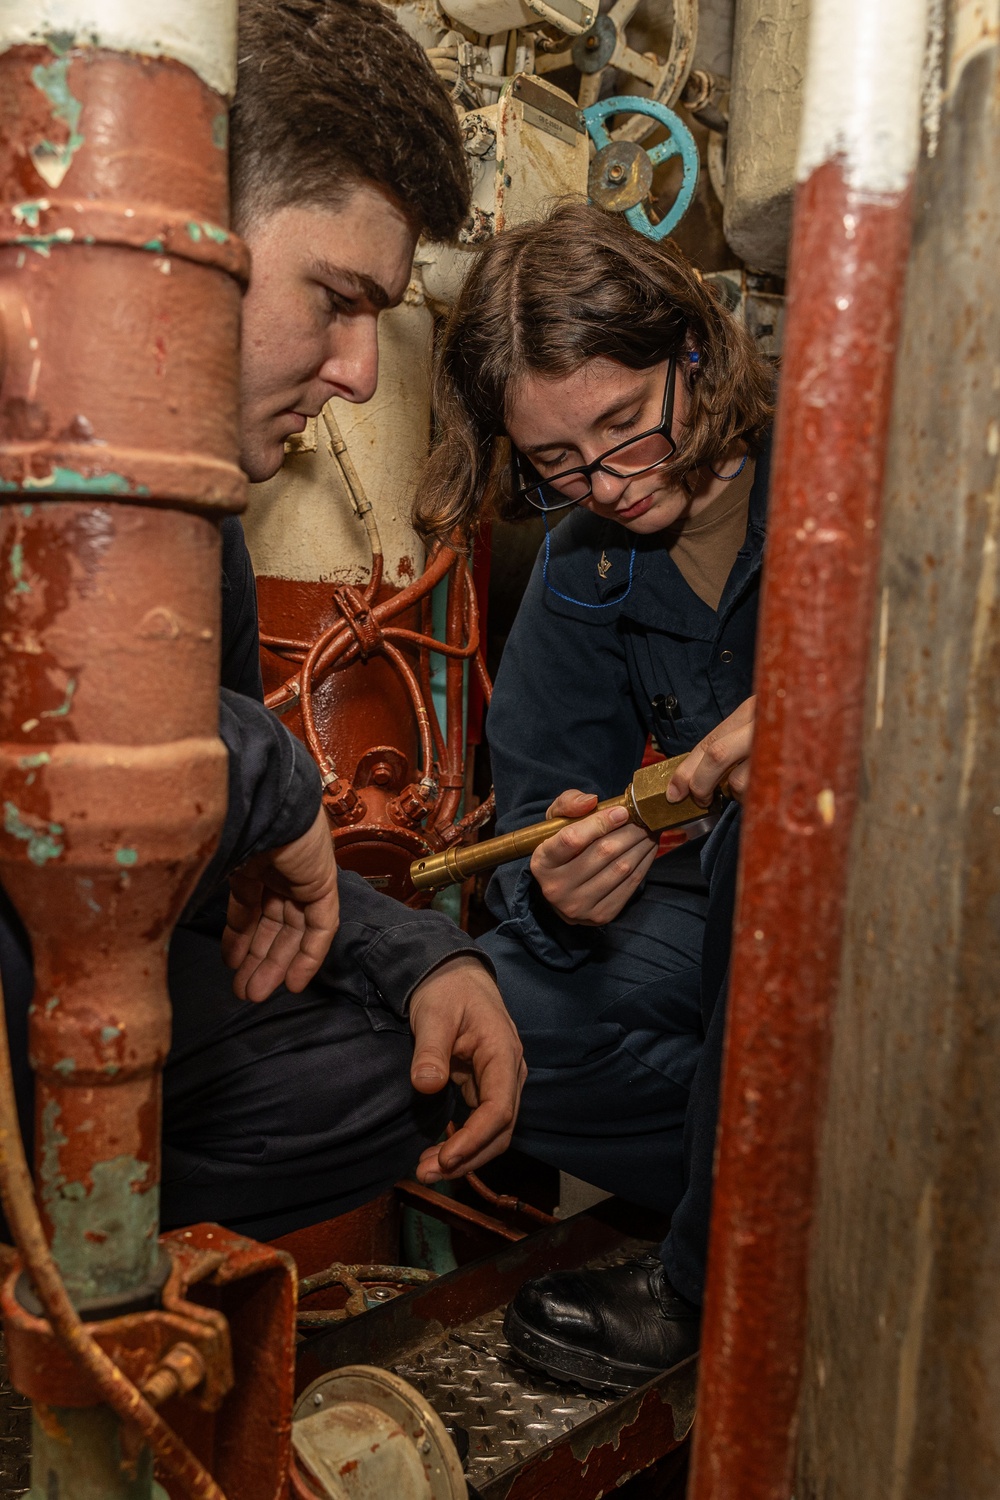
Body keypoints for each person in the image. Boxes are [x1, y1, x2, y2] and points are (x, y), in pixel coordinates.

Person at [0, 0, 525, 1248]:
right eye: (335, 300)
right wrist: (268, 774)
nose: (361, 374)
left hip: (81, 968)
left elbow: (226, 866)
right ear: (189, 232)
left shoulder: (206, 538)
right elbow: (183, 755)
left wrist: (422, 958)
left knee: (394, 1068)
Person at [417, 200, 773, 1388]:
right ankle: (802, 1192)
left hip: (891, 919)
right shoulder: (582, 561)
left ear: (695, 353)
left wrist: (819, 728)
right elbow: (536, 812)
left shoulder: (845, 478)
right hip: (693, 929)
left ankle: (712, 1277)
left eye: (624, 425)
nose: (608, 482)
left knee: (766, 844)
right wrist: (558, 891)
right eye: (557, 461)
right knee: (475, 1032)